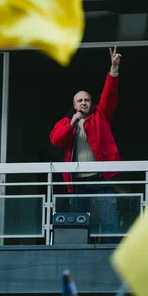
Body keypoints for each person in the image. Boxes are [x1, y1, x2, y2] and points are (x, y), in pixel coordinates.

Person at [50, 46, 122, 243]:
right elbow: (56, 140)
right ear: (74, 105)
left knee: (109, 223)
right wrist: (73, 123)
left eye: (87, 100)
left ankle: (110, 259)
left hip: (101, 180)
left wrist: (113, 68)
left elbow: (109, 95)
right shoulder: (66, 122)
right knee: (79, 225)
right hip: (78, 182)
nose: (83, 103)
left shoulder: (101, 116)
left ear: (91, 103)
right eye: (80, 100)